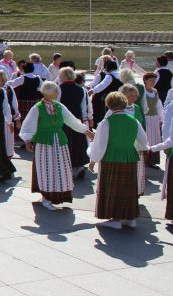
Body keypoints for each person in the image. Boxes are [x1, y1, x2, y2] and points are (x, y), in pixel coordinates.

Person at [19, 81, 94, 210]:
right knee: (46, 169)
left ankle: (56, 195)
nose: (57, 93)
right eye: (55, 91)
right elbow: (28, 125)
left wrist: (85, 130)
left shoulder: (59, 106)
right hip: (44, 143)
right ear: (48, 92)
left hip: (59, 142)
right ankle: (46, 197)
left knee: (60, 169)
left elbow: (71, 120)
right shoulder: (38, 108)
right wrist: (27, 140)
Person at [88, 91, 149, 229]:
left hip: (111, 157)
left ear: (109, 105)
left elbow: (100, 144)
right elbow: (144, 141)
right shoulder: (134, 121)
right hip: (129, 157)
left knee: (113, 188)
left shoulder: (106, 122)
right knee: (128, 188)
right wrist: (139, 148)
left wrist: (93, 160)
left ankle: (115, 220)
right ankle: (129, 218)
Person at [57, 67, 91, 180]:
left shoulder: (59, 89)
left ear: (64, 76)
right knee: (78, 144)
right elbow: (83, 107)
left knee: (66, 144)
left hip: (63, 120)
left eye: (61, 75)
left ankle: (66, 169)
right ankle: (79, 168)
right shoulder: (82, 89)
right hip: (77, 118)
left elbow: (57, 105)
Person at [141, 72, 163, 168]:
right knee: (147, 138)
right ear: (145, 80)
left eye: (154, 81)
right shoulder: (142, 91)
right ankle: (144, 160)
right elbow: (142, 105)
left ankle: (152, 161)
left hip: (154, 118)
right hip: (146, 118)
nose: (153, 82)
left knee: (155, 139)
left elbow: (159, 105)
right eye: (151, 80)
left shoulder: (155, 91)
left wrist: (161, 118)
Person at [91, 59, 122, 124]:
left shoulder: (109, 76)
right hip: (121, 98)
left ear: (108, 68)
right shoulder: (121, 75)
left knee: (109, 116)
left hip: (111, 98)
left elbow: (101, 86)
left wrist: (92, 91)